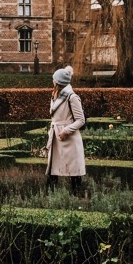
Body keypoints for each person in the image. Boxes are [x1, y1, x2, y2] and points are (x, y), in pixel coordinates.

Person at [45, 65, 86, 193]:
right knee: (53, 169)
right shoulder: (55, 95)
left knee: (74, 170)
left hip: (69, 137)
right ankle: (49, 197)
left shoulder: (72, 97)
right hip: (56, 136)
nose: (52, 81)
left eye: (54, 79)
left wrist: (66, 130)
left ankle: (77, 198)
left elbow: (81, 120)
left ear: (57, 82)